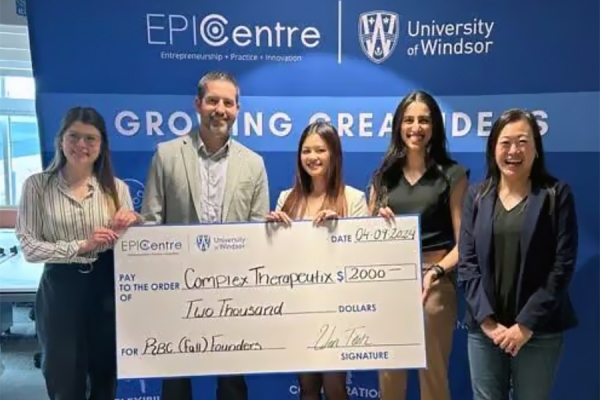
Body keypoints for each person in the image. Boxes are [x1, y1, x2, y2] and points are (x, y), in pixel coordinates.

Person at [140, 71, 270, 400]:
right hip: (177, 288)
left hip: (233, 290)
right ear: (198, 104)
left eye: (228, 102)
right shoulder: (166, 155)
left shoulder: (254, 165)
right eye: (213, 100)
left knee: (231, 382)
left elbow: (257, 234)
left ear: (238, 109)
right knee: (176, 381)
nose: (220, 109)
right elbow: (151, 223)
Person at [15, 106, 140, 400]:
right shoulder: (36, 186)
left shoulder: (116, 189)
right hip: (61, 287)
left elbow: (129, 245)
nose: (81, 145)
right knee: (63, 376)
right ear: (61, 139)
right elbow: (30, 248)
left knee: (104, 375)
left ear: (101, 145)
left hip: (106, 288)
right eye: (73, 136)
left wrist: (134, 223)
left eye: (90, 139)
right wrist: (80, 246)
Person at [457, 109, 578, 400]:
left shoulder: (556, 194)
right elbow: (467, 261)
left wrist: (524, 326)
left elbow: (562, 266)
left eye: (522, 142)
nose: (513, 151)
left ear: (536, 149)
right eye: (505, 142)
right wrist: (487, 321)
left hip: (538, 332)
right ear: (493, 149)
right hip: (486, 332)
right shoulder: (477, 195)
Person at [369, 90, 469, 400]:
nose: (416, 127)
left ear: (435, 127)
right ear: (398, 126)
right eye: (409, 120)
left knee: (433, 374)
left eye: (424, 120)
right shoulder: (383, 177)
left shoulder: (452, 175)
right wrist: (375, 224)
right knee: (388, 376)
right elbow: (367, 243)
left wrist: (436, 272)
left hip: (435, 282)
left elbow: (464, 242)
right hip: (390, 282)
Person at [266, 121, 369, 400]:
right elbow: (273, 259)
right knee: (308, 388)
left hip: (338, 306)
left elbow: (366, 258)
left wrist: (341, 230)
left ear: (334, 154)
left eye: (320, 150)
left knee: (335, 387)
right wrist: (269, 232)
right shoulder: (286, 199)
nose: (313, 157)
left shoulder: (355, 199)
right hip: (298, 305)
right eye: (306, 150)